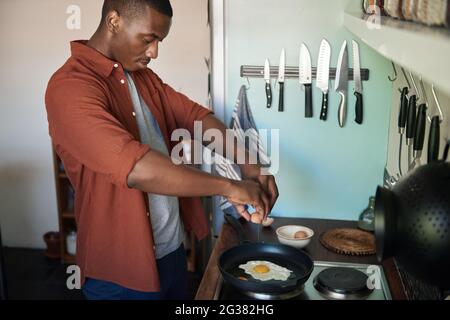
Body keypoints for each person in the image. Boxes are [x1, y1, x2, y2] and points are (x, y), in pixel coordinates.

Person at [45, 0, 278, 300]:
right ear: (114, 21)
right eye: (149, 39)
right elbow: (138, 169)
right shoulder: (70, 87)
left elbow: (195, 117)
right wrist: (230, 187)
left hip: (171, 252)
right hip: (119, 272)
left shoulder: (140, 77)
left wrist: (250, 165)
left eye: (159, 41)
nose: (154, 52)